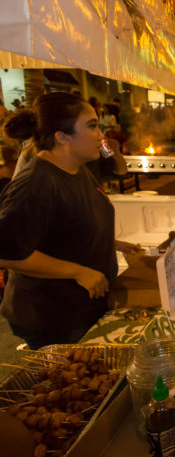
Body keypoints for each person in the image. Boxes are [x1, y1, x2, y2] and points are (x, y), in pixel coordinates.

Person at [0, 93, 115, 348]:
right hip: (51, 318)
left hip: (82, 309)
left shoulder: (77, 168)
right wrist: (78, 271)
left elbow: (68, 224)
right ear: (62, 137)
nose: (101, 135)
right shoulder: (35, 184)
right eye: (92, 126)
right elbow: (7, 253)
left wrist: (113, 242)